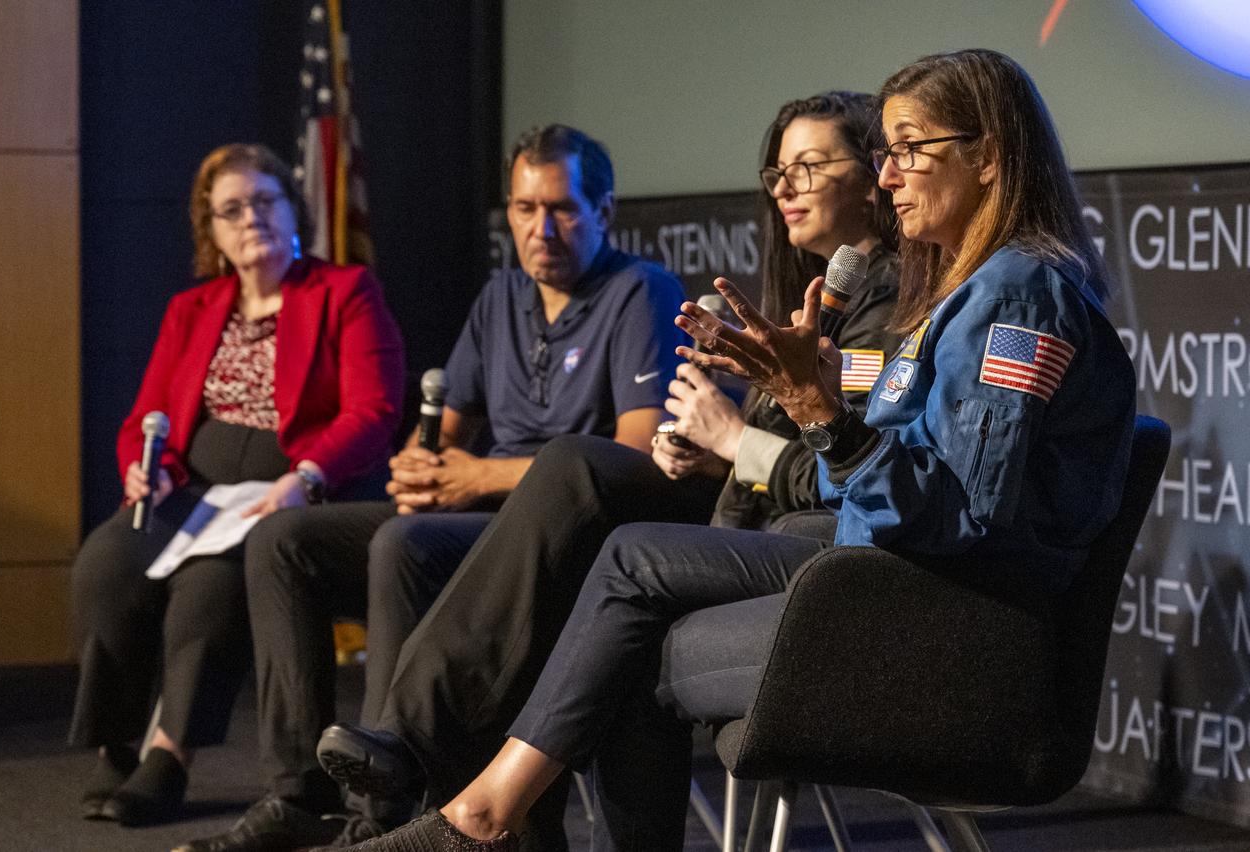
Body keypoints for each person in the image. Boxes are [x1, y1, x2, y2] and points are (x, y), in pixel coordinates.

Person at [328, 48, 1138, 852]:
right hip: (879, 574)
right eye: (885, 154)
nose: (890, 178)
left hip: (936, 619)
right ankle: (481, 814)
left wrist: (814, 406)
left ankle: (477, 817)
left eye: (909, 151)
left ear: (989, 156)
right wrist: (814, 402)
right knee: (624, 571)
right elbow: (899, 479)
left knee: (627, 612)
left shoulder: (1020, 294)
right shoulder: (973, 291)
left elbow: (963, 515)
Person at [307, 91, 903, 850]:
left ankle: (427, 759)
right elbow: (787, 458)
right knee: (407, 541)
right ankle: (421, 787)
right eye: (777, 169)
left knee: (577, 472)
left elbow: (857, 476)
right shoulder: (813, 295)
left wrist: (731, 446)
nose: (783, 186)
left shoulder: (895, 304)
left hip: (808, 549)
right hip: (742, 514)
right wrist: (691, 447)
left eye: (811, 166)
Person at [175, 124, 687, 852]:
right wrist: (421, 463)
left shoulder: (641, 291)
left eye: (564, 209)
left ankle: (383, 804)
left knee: (406, 544)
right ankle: (297, 794)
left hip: (560, 534)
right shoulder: (501, 297)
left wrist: (476, 474)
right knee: (284, 539)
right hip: (474, 510)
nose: (542, 229)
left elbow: (635, 454)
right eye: (524, 209)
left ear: (604, 211)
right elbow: (442, 434)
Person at [68, 143, 406, 827]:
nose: (250, 218)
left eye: (264, 201)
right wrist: (149, 467)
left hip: (279, 496)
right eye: (232, 209)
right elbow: (145, 417)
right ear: (212, 231)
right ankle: (115, 744)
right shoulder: (194, 308)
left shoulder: (343, 292)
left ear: (291, 209)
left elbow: (372, 412)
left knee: (211, 587)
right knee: (103, 566)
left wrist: (303, 480)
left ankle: (170, 756)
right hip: (187, 492)